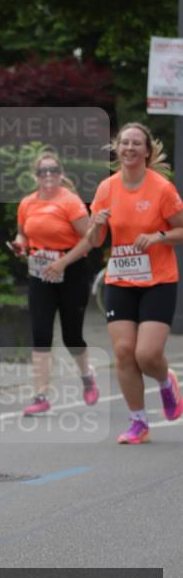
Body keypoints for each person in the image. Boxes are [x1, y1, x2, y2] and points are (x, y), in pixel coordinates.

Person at [87, 122, 183, 444]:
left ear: (146, 151)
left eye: (135, 143)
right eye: (124, 142)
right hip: (121, 278)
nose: (129, 148)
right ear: (117, 148)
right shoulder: (106, 189)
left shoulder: (162, 189)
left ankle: (166, 380)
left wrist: (159, 237)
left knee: (147, 354)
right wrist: (96, 224)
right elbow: (96, 240)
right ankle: (138, 421)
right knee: (125, 351)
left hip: (159, 279)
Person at [11, 150, 98, 415]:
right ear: (36, 176)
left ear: (61, 174)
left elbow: (90, 239)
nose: (48, 175)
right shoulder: (27, 203)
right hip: (40, 273)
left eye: (53, 171)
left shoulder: (70, 202)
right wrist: (20, 245)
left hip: (71, 271)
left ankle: (86, 376)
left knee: (72, 335)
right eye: (42, 171)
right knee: (40, 333)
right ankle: (40, 395)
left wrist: (63, 262)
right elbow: (23, 234)